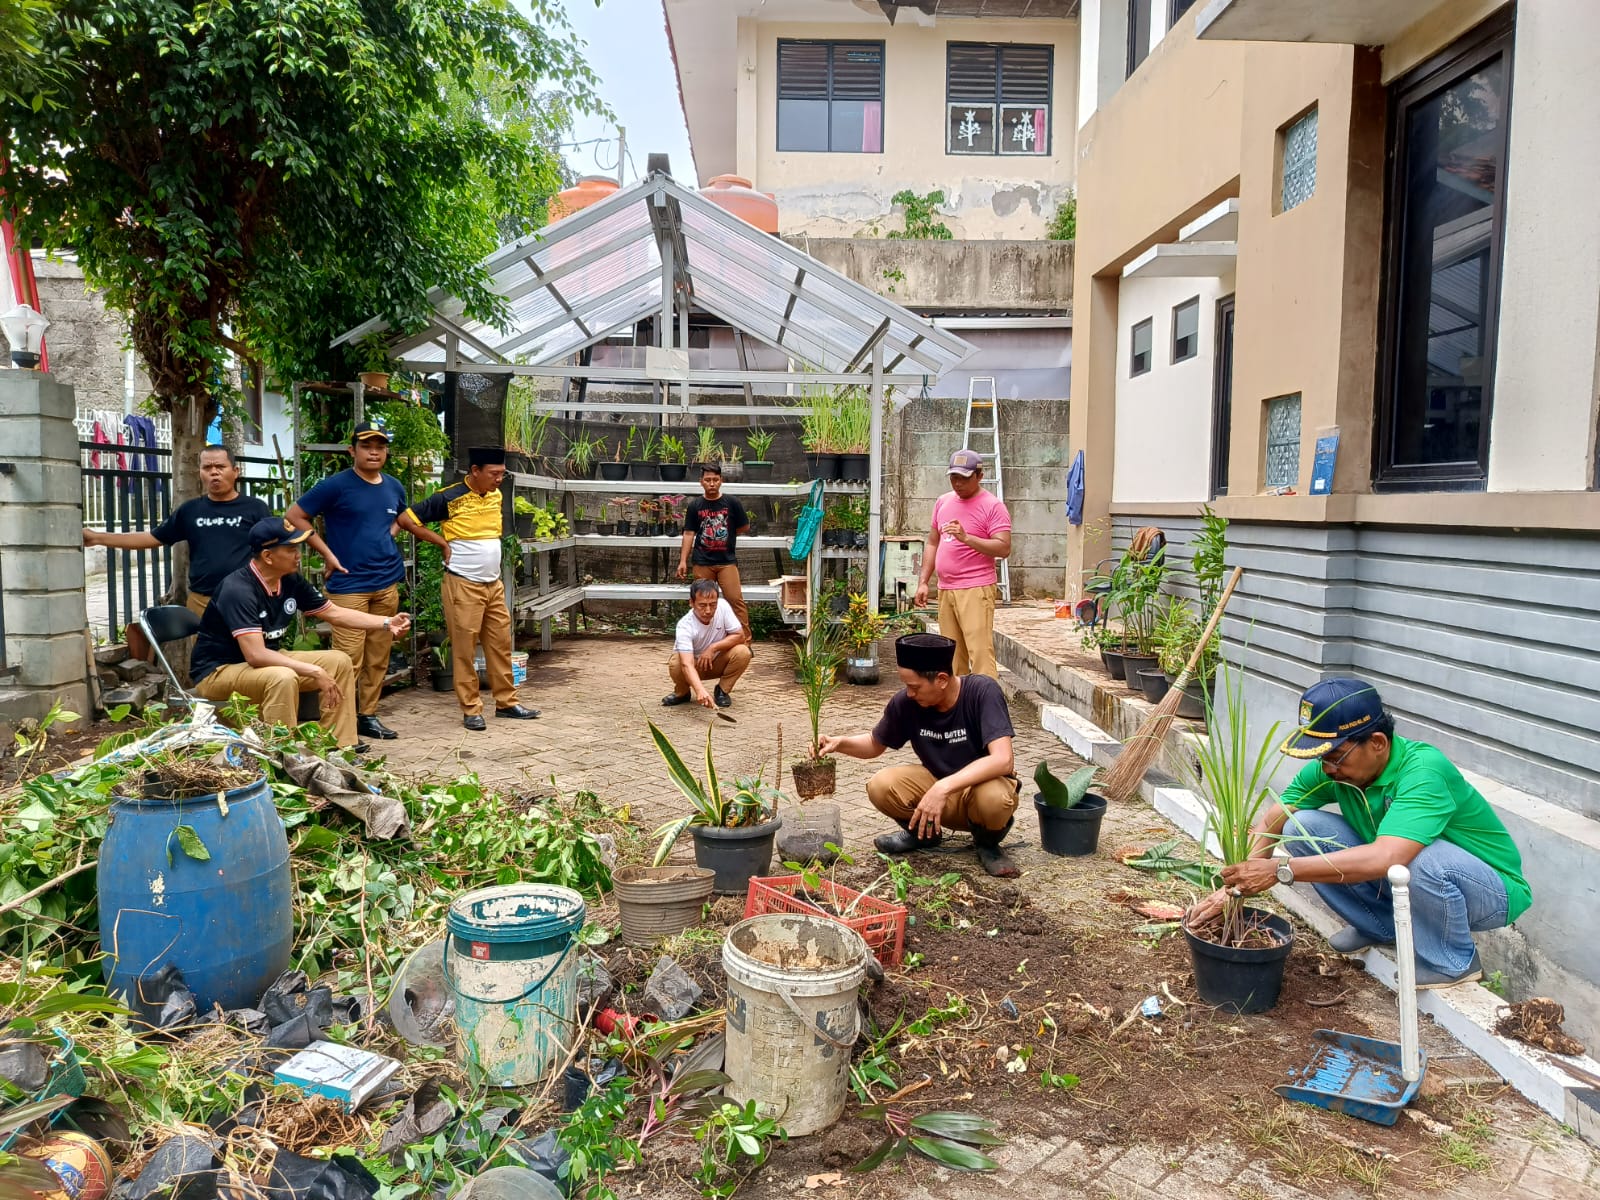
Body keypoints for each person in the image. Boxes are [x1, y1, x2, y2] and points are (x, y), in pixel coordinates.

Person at [1193, 678, 1531, 988]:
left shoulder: (1424, 771)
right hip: (1409, 876)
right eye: (1323, 757)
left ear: (1378, 743)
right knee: (1302, 827)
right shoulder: (1335, 769)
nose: (1327, 769)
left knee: (1416, 857)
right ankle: (1380, 927)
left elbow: (1388, 857)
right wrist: (1235, 888)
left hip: (1491, 891)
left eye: (1336, 757)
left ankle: (1455, 959)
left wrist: (1280, 871)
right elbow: (1273, 820)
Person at [190, 517, 411, 749]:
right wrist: (313, 671)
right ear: (268, 556)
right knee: (283, 676)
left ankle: (338, 745)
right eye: (291, 549)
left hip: (263, 662)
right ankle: (283, 752)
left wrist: (387, 623)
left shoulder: (289, 580)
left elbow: (333, 613)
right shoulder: (239, 589)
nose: (299, 555)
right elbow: (255, 654)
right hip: (219, 672)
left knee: (338, 661)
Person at [819, 633, 1020, 877]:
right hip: (936, 788)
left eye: (914, 687)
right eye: (906, 686)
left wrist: (943, 788)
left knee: (995, 798)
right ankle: (924, 834)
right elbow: (875, 743)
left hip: (976, 792)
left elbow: (1002, 759)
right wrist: (839, 743)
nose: (910, 693)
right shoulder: (906, 703)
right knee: (880, 785)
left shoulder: (982, 691)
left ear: (942, 679)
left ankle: (988, 844)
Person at [400, 447, 540, 729]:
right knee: (464, 648)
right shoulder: (449, 497)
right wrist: (440, 542)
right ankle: (471, 708)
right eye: (494, 474)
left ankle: (507, 702)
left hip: (493, 584)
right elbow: (406, 519)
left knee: (500, 645)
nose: (499, 479)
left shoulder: (496, 494)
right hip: (463, 584)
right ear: (475, 471)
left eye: (502, 474)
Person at [287, 421, 409, 742]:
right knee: (346, 661)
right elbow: (295, 515)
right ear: (351, 450)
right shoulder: (336, 486)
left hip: (387, 583)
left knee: (378, 657)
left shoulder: (394, 487)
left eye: (380, 446)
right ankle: (338, 730)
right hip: (348, 587)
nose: (374, 452)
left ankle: (367, 716)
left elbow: (400, 518)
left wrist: (387, 537)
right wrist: (327, 553)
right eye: (366, 446)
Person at [83, 444, 272, 615]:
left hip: (246, 597)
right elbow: (152, 538)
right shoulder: (190, 510)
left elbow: (273, 550)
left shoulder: (255, 509)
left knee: (252, 652)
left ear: (235, 471)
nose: (214, 473)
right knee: (205, 653)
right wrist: (97, 538)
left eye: (220, 467)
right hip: (202, 602)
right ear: (200, 472)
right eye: (207, 468)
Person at [913, 449, 1011, 679]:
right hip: (946, 589)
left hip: (976, 589)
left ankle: (985, 710)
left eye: (964, 478)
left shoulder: (993, 506)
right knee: (951, 655)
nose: (958, 483)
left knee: (980, 654)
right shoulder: (943, 502)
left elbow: (1004, 548)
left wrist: (967, 538)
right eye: (953, 477)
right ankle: (957, 710)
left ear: (979, 475)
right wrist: (924, 582)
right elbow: (932, 543)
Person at [676, 462, 752, 639]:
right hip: (702, 562)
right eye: (708, 480)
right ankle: (703, 640)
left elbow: (744, 527)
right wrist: (682, 561)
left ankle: (744, 641)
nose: (712, 483)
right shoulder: (695, 506)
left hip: (727, 562)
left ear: (721, 481)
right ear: (701, 481)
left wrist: (725, 535)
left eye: (715, 480)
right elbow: (689, 533)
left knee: (735, 601)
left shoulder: (732, 503)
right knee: (703, 603)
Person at [662, 579, 752, 709]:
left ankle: (722, 690)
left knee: (743, 651)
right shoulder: (684, 625)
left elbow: (739, 636)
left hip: (717, 661)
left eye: (713, 605)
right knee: (676, 662)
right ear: (691, 603)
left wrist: (713, 648)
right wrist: (700, 691)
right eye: (702, 605)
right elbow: (686, 664)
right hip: (695, 666)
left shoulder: (723, 606)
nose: (708, 610)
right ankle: (682, 692)